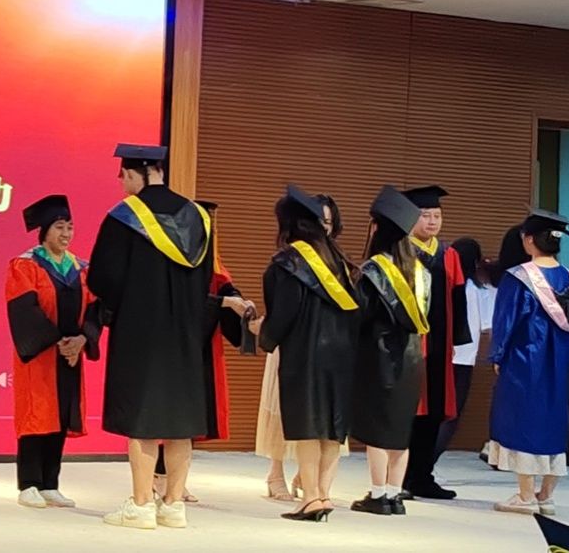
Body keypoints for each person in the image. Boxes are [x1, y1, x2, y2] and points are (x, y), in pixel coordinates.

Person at [86, 144, 217, 531]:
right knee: (181, 419)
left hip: (140, 331)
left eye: (123, 177)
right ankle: (173, 504)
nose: (121, 184)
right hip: (186, 333)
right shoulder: (198, 217)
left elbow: (102, 278)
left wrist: (119, 305)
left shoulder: (124, 217)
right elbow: (206, 277)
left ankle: (142, 504)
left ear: (133, 175)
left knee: (142, 419)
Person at [259, 186, 361, 523]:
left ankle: (312, 498)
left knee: (307, 425)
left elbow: (283, 315)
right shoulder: (341, 261)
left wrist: (263, 333)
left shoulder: (289, 262)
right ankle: (324, 493)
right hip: (343, 355)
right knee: (332, 428)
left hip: (305, 356)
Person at [152, 200, 255, 506]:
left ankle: (177, 480)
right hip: (172, 345)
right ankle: (158, 478)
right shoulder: (171, 255)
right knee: (169, 415)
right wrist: (224, 303)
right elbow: (183, 299)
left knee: (192, 417)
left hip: (202, 346)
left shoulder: (210, 257)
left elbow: (224, 286)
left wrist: (239, 302)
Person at [486, 211, 569, 516]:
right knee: (553, 421)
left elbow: (506, 321)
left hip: (524, 360)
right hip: (557, 362)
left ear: (529, 240)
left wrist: (498, 355)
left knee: (522, 420)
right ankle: (546, 496)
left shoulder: (518, 277)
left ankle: (526, 496)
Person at [7, 194, 97, 510]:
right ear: (44, 230)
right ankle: (28, 484)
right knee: (37, 415)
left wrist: (83, 339)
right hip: (41, 355)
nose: (66, 234)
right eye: (59, 227)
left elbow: (96, 309)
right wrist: (60, 341)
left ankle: (50, 484)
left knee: (60, 416)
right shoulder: (25, 265)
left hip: (71, 355)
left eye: (70, 227)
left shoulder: (81, 268)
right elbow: (25, 311)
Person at [348, 186, 427, 517]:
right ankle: (395, 495)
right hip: (412, 356)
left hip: (380, 356)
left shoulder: (374, 272)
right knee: (399, 429)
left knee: (378, 429)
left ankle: (378, 494)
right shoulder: (420, 271)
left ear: (377, 229)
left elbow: (360, 315)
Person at [401, 186, 471, 500]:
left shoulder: (448, 254)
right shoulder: (399, 251)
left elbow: (458, 298)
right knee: (407, 410)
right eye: (425, 215)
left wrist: (458, 339)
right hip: (408, 345)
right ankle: (398, 477)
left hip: (440, 346)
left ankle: (422, 476)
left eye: (437, 216)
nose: (432, 221)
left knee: (433, 412)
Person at [439, 237, 497, 460]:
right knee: (452, 414)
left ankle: (420, 460)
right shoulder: (477, 290)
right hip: (463, 359)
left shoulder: (440, 283)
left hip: (437, 356)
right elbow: (488, 326)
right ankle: (428, 460)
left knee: (433, 412)